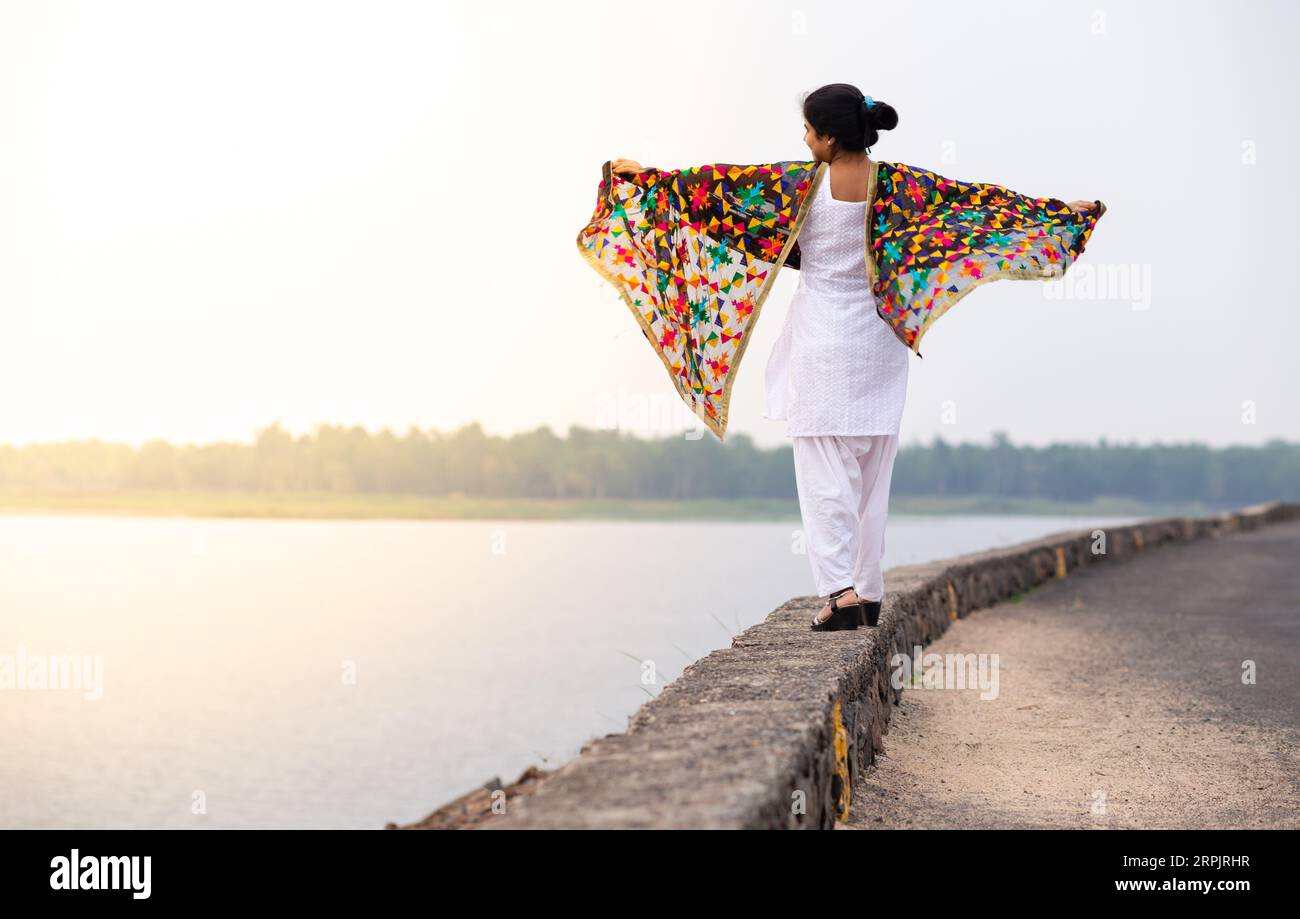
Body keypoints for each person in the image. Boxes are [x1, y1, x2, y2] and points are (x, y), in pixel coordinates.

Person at [610, 82, 1099, 633]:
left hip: (823, 345)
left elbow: (711, 190)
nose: (802, 137)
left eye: (808, 129)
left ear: (829, 136)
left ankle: (840, 593)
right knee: (872, 475)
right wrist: (1056, 213)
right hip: (879, 343)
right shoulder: (904, 186)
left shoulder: (796, 185)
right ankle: (868, 592)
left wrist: (646, 179)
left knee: (824, 478)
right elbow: (977, 205)